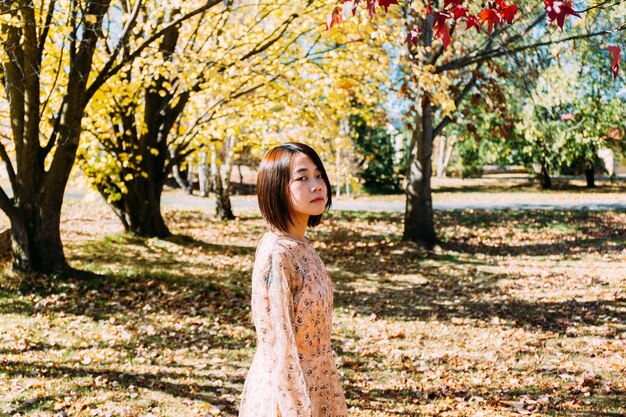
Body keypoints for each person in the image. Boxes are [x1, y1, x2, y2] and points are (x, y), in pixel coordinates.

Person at [238, 142, 348, 417]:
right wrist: (296, 408)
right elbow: (278, 346)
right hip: (287, 395)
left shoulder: (302, 246)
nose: (317, 185)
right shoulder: (276, 254)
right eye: (302, 178)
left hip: (320, 383)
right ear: (276, 189)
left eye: (318, 174)